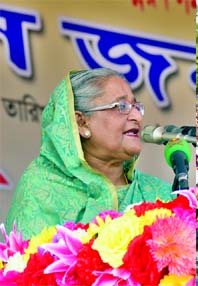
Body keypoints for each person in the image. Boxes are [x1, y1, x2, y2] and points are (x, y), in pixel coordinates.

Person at [6, 68, 174, 239]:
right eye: (122, 106)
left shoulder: (161, 194)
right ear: (82, 123)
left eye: (136, 107)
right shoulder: (42, 185)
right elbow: (25, 261)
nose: (137, 116)